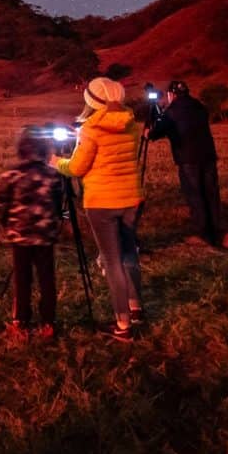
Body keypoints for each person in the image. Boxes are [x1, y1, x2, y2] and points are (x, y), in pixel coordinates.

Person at [52, 78, 144, 342]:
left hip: (102, 202)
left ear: (90, 101)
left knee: (111, 261)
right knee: (129, 254)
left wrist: (56, 161)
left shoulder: (91, 129)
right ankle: (135, 307)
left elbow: (78, 168)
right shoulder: (130, 123)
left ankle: (122, 324)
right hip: (130, 198)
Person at [0, 125, 63, 340]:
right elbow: (59, 204)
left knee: (22, 279)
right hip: (45, 235)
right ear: (44, 148)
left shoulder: (11, 175)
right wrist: (59, 222)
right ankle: (48, 323)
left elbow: (2, 205)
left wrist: (6, 224)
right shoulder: (53, 176)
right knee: (46, 278)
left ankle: (21, 322)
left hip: (20, 235)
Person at [149, 79, 228, 248]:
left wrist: (155, 120)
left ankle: (203, 235)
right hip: (208, 156)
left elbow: (155, 133)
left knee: (195, 196)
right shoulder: (199, 107)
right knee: (211, 194)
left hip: (188, 159)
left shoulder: (172, 111)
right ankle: (216, 230)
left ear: (171, 94)